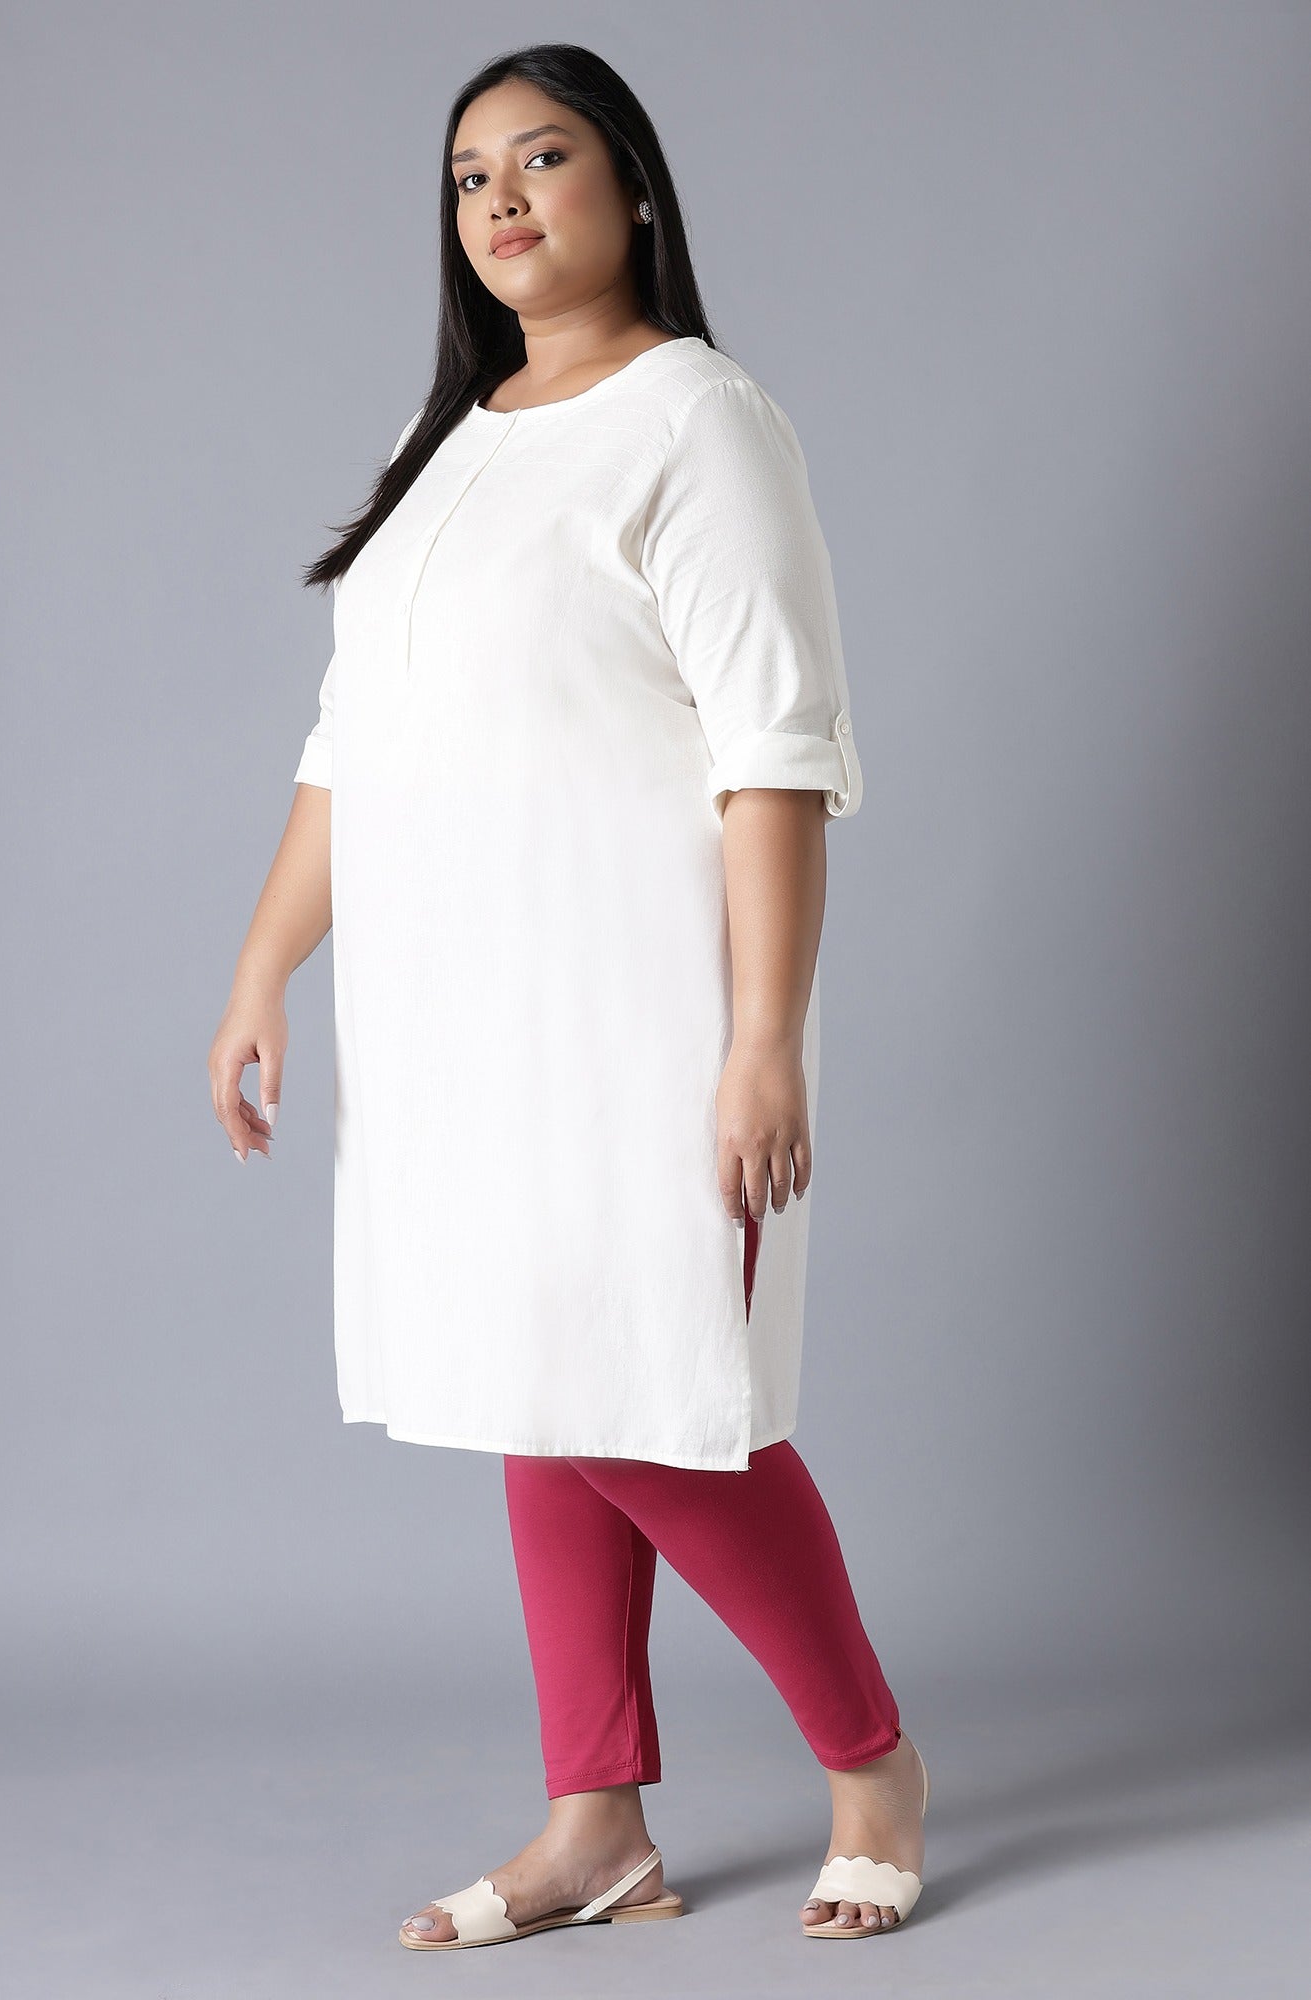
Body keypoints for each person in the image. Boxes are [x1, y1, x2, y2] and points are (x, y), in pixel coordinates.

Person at [209, 41, 928, 1953]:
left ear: (634, 188)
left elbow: (775, 752)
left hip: (638, 1013)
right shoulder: (446, 441)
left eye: (541, 157)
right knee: (539, 1388)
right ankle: (594, 1822)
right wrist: (266, 964)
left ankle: (871, 1763)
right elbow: (351, 742)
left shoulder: (702, 420)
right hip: (457, 1015)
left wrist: (759, 1037)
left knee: (658, 1395)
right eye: (469, 176)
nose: (501, 199)